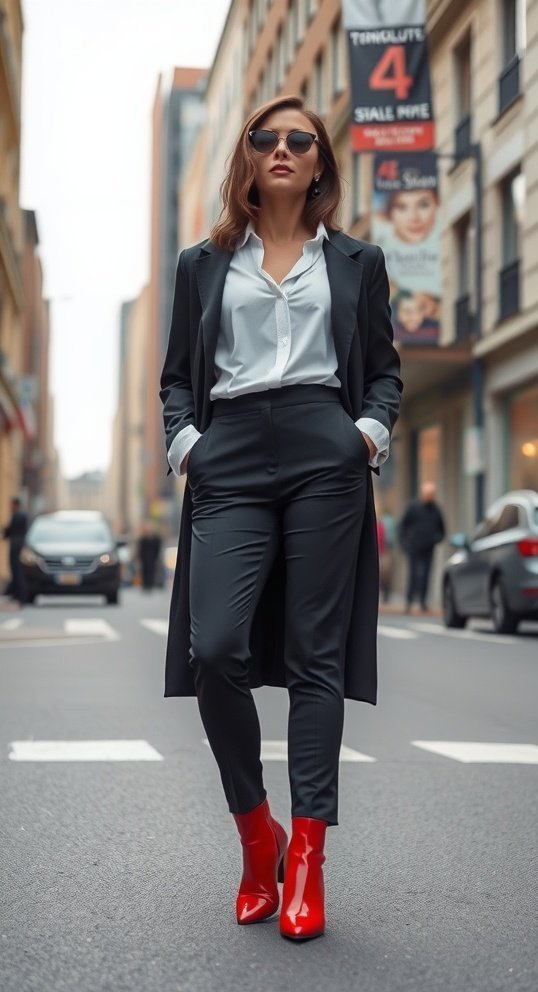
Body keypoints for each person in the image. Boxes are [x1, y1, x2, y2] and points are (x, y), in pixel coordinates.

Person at [159, 95, 402, 942]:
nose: (284, 148)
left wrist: (363, 436)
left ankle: (306, 859)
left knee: (314, 659)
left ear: (320, 160)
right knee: (216, 648)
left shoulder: (359, 262)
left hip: (322, 453)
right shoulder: (202, 263)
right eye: (267, 137)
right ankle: (253, 834)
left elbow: (383, 371)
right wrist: (188, 445)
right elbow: (176, 379)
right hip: (228, 453)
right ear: (249, 157)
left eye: (301, 139)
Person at [398, 481, 445, 613]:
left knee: (426, 575)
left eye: (432, 494)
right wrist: (405, 543)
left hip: (428, 548)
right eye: (428, 494)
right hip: (414, 547)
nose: (430, 496)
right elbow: (402, 526)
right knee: (413, 574)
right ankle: (409, 601)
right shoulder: (413, 507)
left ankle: (423, 601)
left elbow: (442, 529)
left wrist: (436, 539)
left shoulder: (436, 509)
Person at [2, 497, 29, 605]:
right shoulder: (22, 515)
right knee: (16, 571)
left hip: (16, 546)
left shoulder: (18, 515)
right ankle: (16, 594)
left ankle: (20, 596)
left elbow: (11, 529)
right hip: (18, 545)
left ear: (15, 505)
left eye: (12, 505)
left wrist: (5, 532)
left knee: (17, 571)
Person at [137, 522, 161, 591]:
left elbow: (157, 547)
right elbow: (140, 549)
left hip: (152, 558)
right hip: (144, 558)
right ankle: (145, 584)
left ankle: (150, 584)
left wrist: (156, 556)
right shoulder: (142, 539)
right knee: (145, 571)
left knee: (151, 571)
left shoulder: (155, 539)